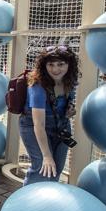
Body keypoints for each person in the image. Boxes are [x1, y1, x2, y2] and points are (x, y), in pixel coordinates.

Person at [21, 46, 79, 185]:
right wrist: (46, 155)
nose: (55, 69)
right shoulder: (38, 86)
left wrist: (70, 111)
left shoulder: (69, 81)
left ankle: (47, 203)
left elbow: (64, 106)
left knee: (55, 170)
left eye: (61, 64)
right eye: (51, 64)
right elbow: (38, 125)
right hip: (35, 127)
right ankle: (25, 202)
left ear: (69, 65)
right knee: (42, 166)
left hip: (61, 127)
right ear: (44, 65)